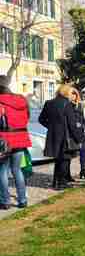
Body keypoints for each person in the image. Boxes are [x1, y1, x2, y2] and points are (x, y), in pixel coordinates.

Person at [40, 84, 83, 190]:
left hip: (53, 135)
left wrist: (51, 127)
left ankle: (56, 182)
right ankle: (62, 183)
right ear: (66, 92)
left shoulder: (49, 103)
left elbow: (41, 119)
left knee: (58, 160)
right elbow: (72, 124)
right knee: (64, 160)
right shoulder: (67, 104)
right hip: (65, 136)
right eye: (70, 92)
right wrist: (79, 138)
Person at [0, 75, 31, 209]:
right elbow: (27, 117)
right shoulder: (21, 100)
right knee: (17, 169)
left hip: (4, 139)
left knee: (3, 170)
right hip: (20, 137)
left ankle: (5, 201)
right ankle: (22, 200)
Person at [70, 89, 85, 180]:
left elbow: (84, 119)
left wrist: (84, 128)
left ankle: (83, 171)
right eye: (72, 94)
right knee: (70, 154)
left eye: (75, 94)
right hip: (71, 133)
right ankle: (67, 174)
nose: (73, 96)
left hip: (81, 132)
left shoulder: (81, 105)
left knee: (83, 152)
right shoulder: (68, 105)